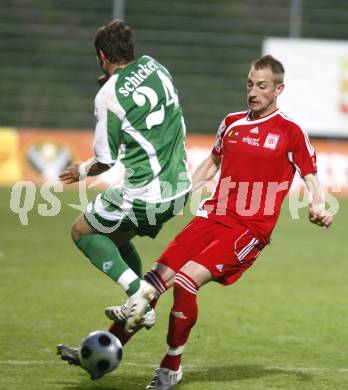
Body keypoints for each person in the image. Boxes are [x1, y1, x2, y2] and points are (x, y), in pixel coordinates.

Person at [117, 54, 333, 389]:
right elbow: (212, 163)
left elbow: (311, 176)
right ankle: (105, 348)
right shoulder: (231, 121)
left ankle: (171, 366)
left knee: (187, 282)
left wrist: (319, 204)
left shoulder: (290, 132)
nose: (253, 91)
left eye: (262, 86)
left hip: (249, 229)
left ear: (279, 89)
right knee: (155, 279)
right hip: (211, 217)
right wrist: (182, 192)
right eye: (250, 83)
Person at [57, 19, 191, 367]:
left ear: (102, 55)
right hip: (178, 188)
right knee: (113, 238)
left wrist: (80, 170)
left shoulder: (108, 94)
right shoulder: (156, 67)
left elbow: (104, 160)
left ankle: (138, 295)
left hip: (145, 192)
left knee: (82, 231)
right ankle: (135, 301)